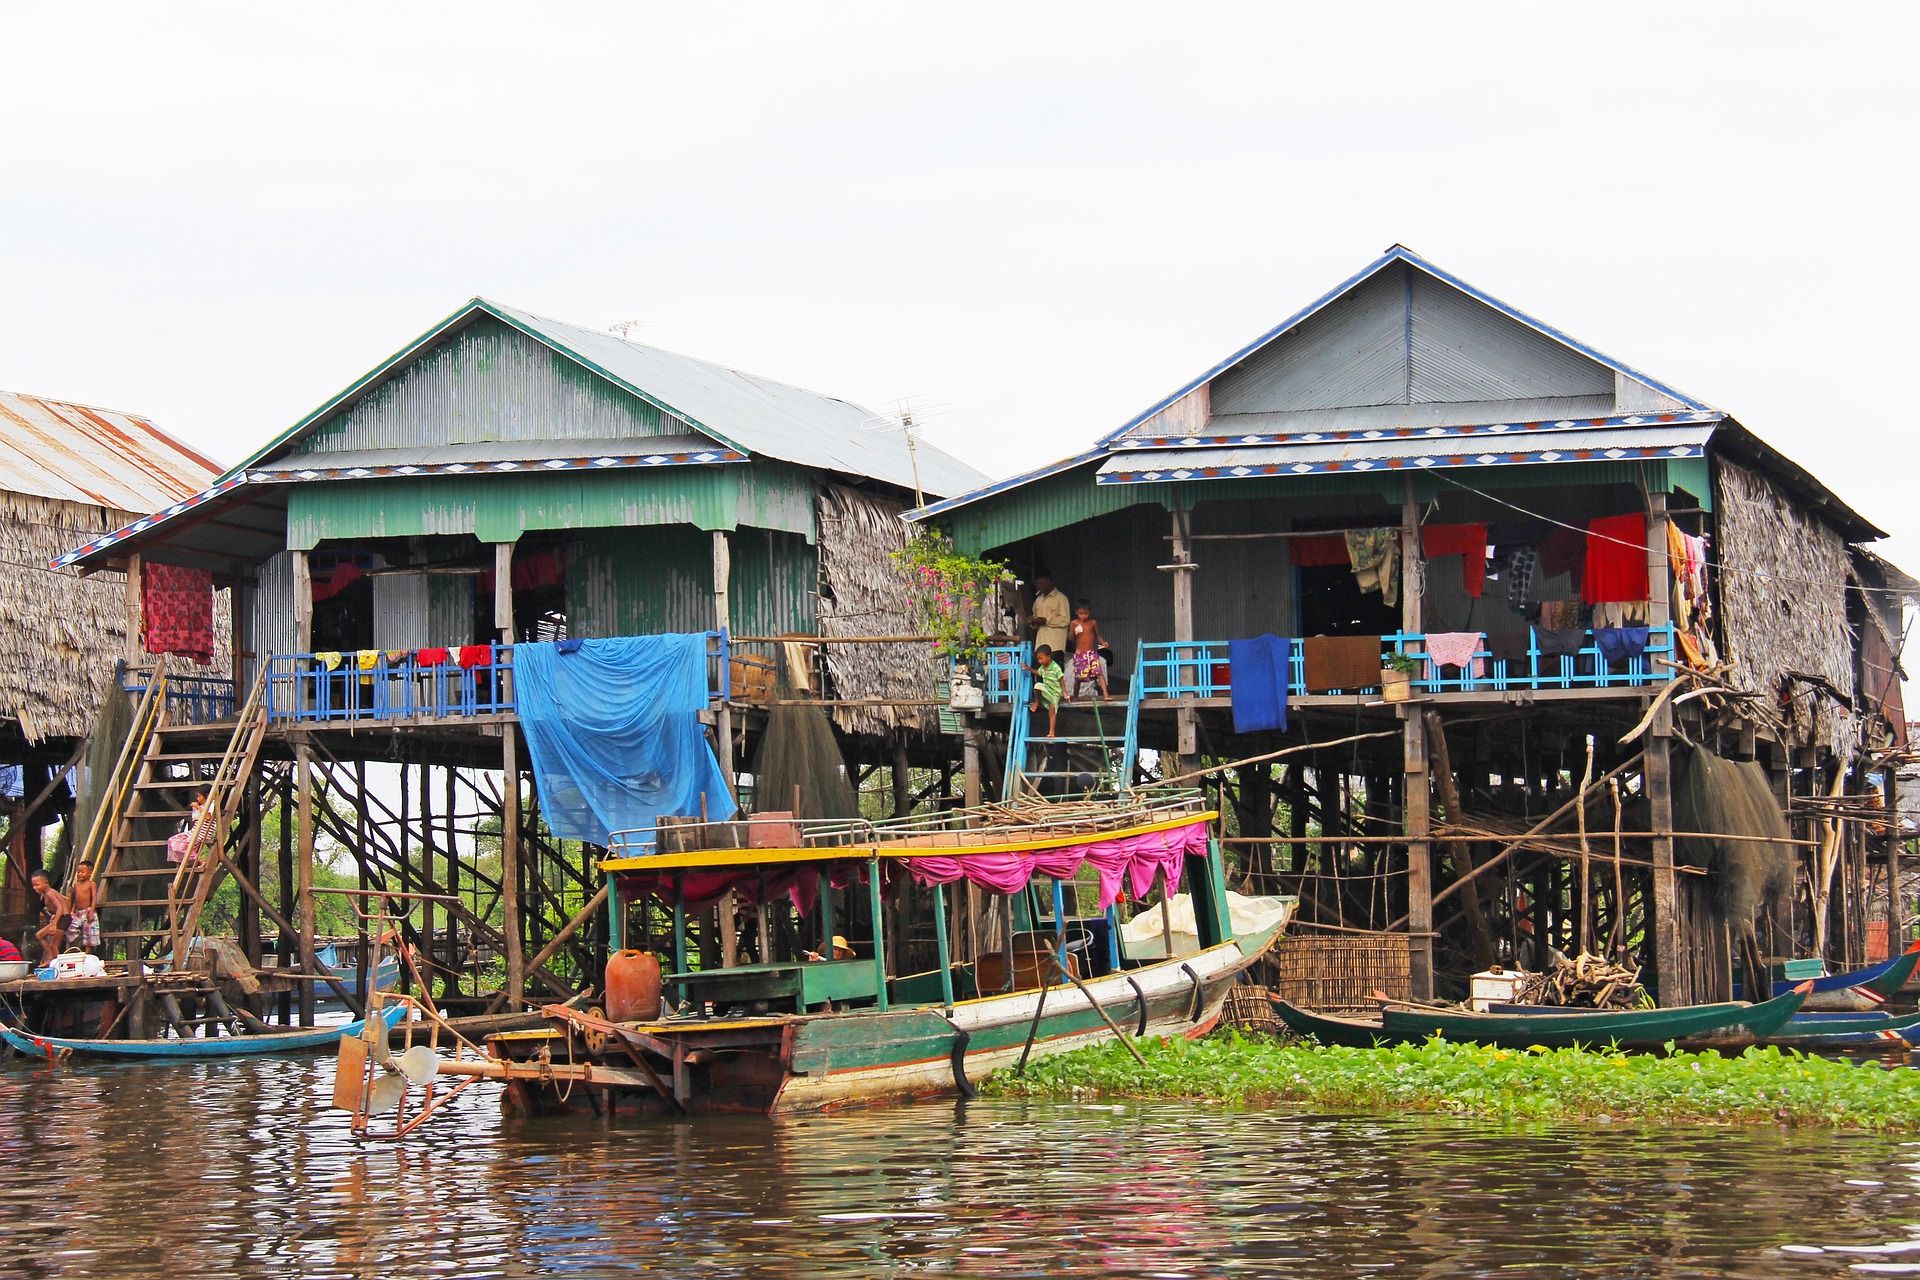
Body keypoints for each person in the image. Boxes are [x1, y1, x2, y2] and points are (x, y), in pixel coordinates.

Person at [1064, 601, 1110, 701]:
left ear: (1090, 613)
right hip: (1080, 654)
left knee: (1099, 673)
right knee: (1079, 677)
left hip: (1092, 653)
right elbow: (1070, 638)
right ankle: (1076, 696)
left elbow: (1098, 635)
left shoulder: (1092, 623)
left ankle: (1106, 694)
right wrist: (1074, 630)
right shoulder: (1074, 623)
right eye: (1081, 613)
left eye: (1085, 613)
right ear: (1076, 612)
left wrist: (1103, 643)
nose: (1083, 616)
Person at [1026, 575, 1070, 658]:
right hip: (1040, 644)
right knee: (1041, 669)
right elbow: (1035, 618)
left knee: (1055, 668)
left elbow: (1065, 620)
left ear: (1049, 581)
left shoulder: (1061, 598)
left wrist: (1046, 621)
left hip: (1055, 646)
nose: (1038, 586)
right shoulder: (1038, 599)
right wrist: (1033, 621)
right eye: (1037, 584)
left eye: (1040, 583)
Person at [30, 871, 68, 964]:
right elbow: (66, 900)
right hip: (61, 917)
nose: (35, 888)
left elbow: (60, 907)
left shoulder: (50, 893)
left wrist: (54, 924)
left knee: (54, 946)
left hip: (64, 919)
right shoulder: (48, 893)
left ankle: (56, 963)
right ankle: (51, 956)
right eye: (33, 885)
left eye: (37, 885)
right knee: (39, 935)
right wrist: (55, 915)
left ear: (46, 883)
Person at [1029, 645, 1063, 737]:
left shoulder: (1055, 667)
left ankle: (1052, 731)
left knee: (1052, 710)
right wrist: (1029, 668)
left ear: (1048, 657)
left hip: (1055, 693)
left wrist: (1066, 693)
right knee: (1037, 686)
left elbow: (1061, 680)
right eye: (1038, 659)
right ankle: (1037, 702)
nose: (1040, 661)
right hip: (1047, 690)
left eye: (1041, 659)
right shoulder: (1042, 668)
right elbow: (1038, 672)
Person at [67, 862, 100, 954]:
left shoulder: (91, 884)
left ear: (89, 873)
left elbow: (94, 898)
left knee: (89, 933)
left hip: (88, 911)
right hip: (78, 912)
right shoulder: (76, 885)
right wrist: (72, 910)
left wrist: (91, 912)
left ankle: (87, 953)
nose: (80, 874)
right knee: (71, 930)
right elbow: (75, 900)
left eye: (82, 872)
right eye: (78, 872)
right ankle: (77, 945)